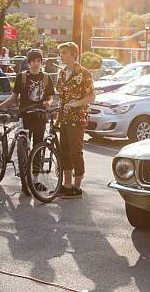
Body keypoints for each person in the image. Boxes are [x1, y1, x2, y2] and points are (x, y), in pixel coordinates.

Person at [0, 49, 54, 193]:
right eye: (32, 61)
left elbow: (50, 97)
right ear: (28, 62)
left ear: (41, 62)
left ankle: (35, 180)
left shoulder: (46, 78)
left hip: (40, 116)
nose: (35, 64)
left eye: (38, 60)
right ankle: (24, 176)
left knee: (38, 147)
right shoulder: (22, 77)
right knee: (23, 145)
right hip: (24, 115)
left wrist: (48, 103)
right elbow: (13, 98)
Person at [55, 42, 95, 199]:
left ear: (73, 54)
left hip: (77, 118)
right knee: (64, 152)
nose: (62, 56)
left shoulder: (84, 73)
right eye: (61, 53)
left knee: (75, 152)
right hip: (63, 118)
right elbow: (60, 96)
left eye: (65, 53)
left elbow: (91, 96)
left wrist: (75, 104)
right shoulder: (62, 72)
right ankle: (67, 185)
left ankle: (77, 187)